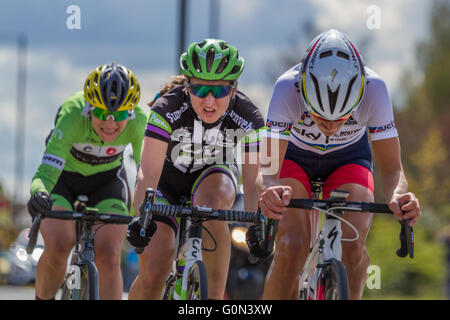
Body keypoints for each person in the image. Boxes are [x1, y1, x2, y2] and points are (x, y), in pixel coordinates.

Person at [249, 29, 421, 300]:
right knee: (292, 245)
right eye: (319, 117)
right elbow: (268, 170)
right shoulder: (286, 87)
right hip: (294, 158)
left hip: (348, 158)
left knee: (352, 247)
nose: (330, 127)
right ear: (303, 90)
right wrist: (269, 190)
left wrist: (399, 196)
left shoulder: (375, 89)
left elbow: (392, 170)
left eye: (342, 118)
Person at [126, 38, 265, 300]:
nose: (209, 101)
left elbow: (255, 179)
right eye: (200, 90)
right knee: (154, 271)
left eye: (220, 91)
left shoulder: (250, 117)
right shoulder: (166, 108)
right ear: (187, 87)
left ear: (234, 89)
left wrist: (257, 224)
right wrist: (140, 216)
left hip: (213, 175)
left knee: (211, 204)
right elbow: (147, 173)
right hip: (166, 182)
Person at [27, 63, 147, 300]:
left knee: (110, 254)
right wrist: (39, 193)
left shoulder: (139, 120)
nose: (111, 124)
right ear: (89, 108)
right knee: (60, 245)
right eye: (102, 113)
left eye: (120, 115)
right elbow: (46, 174)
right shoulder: (73, 113)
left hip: (107, 183)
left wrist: (148, 208)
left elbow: (147, 172)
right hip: (63, 181)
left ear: (130, 112)